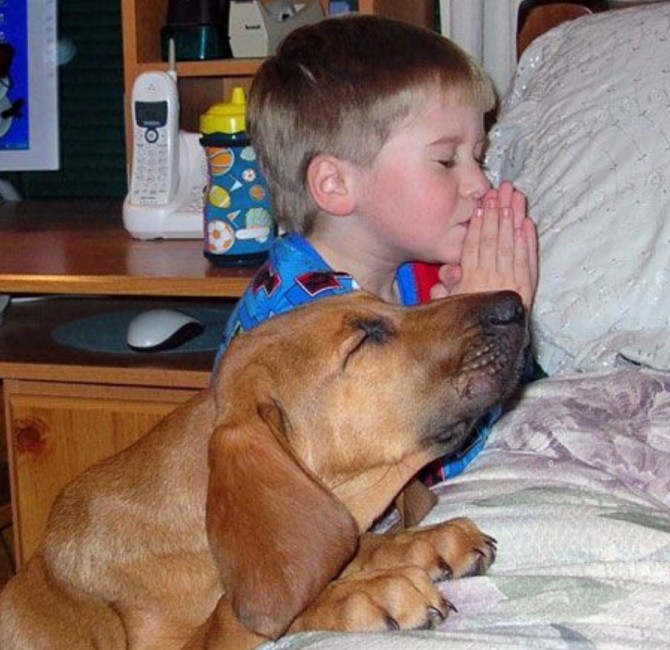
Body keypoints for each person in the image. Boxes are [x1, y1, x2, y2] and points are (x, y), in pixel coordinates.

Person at [216, 14, 538, 486]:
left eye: (479, 156)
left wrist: (491, 325)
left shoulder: (413, 275)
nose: (479, 183)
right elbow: (406, 481)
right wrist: (482, 335)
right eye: (446, 160)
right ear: (336, 183)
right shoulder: (305, 333)